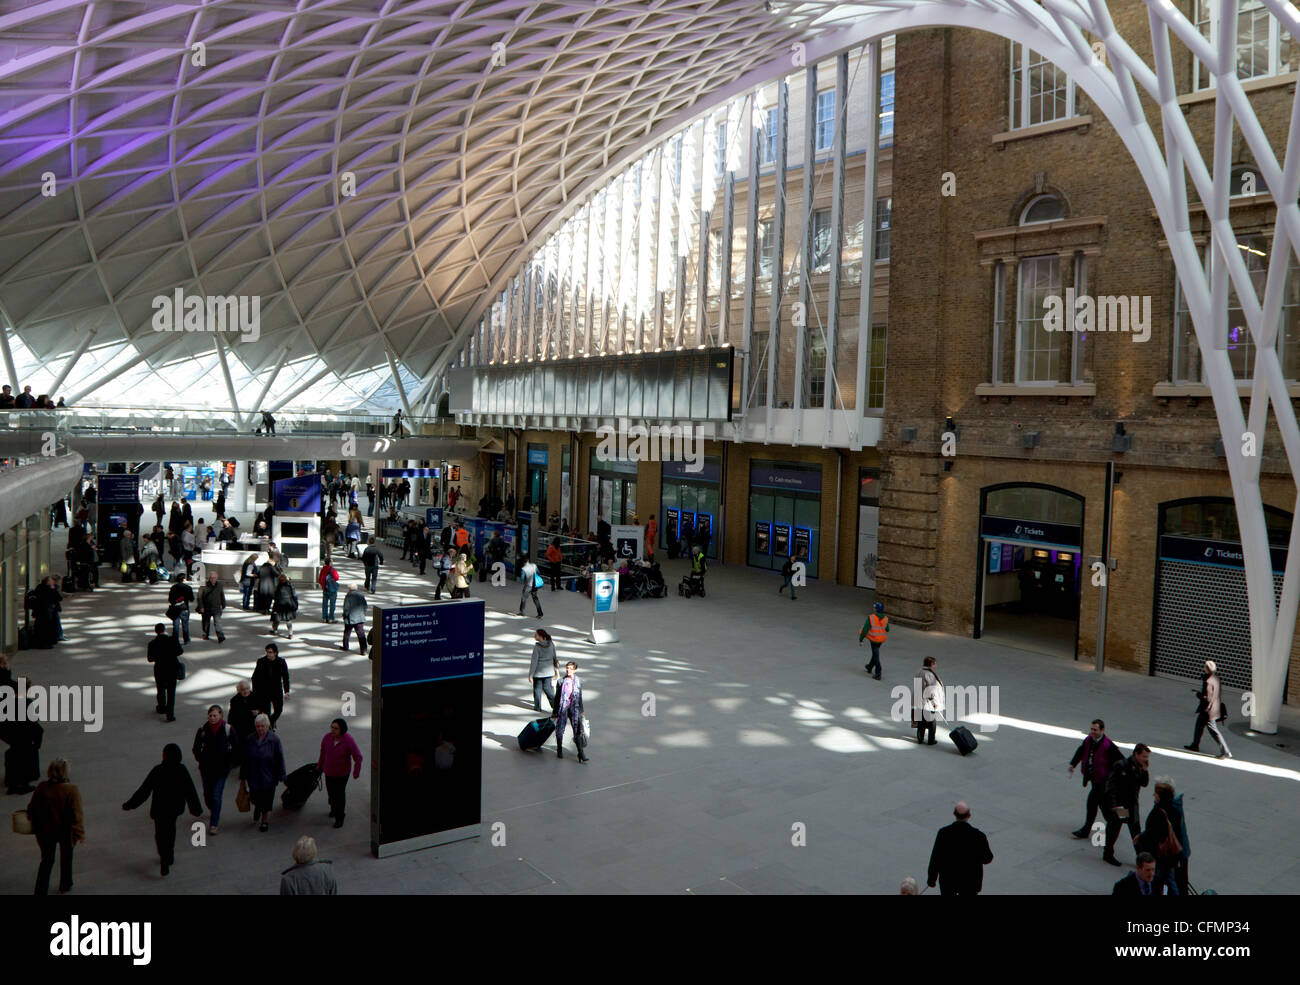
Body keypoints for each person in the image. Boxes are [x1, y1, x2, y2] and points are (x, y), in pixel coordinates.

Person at [122, 743, 204, 877]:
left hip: (159, 809)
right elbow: (190, 791)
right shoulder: (182, 770)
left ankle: (163, 856)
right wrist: (196, 809)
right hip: (174, 809)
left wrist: (130, 804)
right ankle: (169, 855)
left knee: (160, 834)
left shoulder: (158, 770)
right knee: (171, 831)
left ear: (164, 755)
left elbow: (144, 790)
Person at [26, 757, 84, 895]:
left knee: (46, 861)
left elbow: (31, 808)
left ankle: (40, 890)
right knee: (66, 858)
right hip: (65, 830)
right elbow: (77, 815)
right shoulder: (71, 790)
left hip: (44, 831)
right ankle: (65, 884)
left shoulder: (41, 787)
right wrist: (79, 834)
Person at [1068, 718, 1123, 839]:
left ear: (1102, 730)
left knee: (1096, 804)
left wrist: (1114, 777)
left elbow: (1120, 761)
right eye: (1091, 729)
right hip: (1095, 780)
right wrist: (1073, 764)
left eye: (1095, 729)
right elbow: (1081, 750)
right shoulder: (1089, 740)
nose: (1092, 731)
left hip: (1103, 782)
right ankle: (1111, 825)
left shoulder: (1108, 745)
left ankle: (1109, 826)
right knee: (1100, 805)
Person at [926, 801, 994, 895]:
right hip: (970, 882)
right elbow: (988, 858)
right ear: (969, 815)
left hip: (948, 881)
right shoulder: (978, 836)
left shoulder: (943, 833)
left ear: (955, 814)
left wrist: (931, 879)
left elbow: (936, 857)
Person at [1102, 742, 1151, 867]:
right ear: (1136, 754)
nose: (1146, 760)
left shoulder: (1141, 767)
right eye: (1144, 757)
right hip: (1121, 805)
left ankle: (1142, 860)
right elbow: (1111, 785)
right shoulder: (1121, 765)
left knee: (1136, 832)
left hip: (1132, 805)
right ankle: (1108, 853)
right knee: (1114, 827)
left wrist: (1145, 771)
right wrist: (1114, 804)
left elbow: (1144, 784)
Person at [192, 706, 236, 834]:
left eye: (215, 715)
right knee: (207, 794)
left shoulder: (228, 729)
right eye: (210, 715)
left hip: (222, 769)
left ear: (221, 716)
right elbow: (196, 747)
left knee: (216, 794)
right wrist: (201, 759)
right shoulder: (203, 730)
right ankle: (214, 809)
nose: (212, 718)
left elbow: (236, 746)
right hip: (206, 768)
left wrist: (230, 761)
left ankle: (214, 823)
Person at [1137, 777, 1185, 895]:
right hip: (1171, 855)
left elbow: (1153, 835)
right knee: (1170, 880)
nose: (1154, 795)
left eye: (1156, 793)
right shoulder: (1175, 809)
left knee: (1155, 881)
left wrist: (1141, 839)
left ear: (1160, 795)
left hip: (1159, 855)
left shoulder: (1158, 813)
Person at [241, 714, 286, 833]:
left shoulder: (274, 740)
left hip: (269, 776)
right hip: (254, 775)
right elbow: (245, 758)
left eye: (262, 726)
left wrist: (282, 774)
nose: (260, 729)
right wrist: (243, 775)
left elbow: (279, 757)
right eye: (258, 726)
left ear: (268, 726)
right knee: (255, 796)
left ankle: (264, 820)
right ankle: (257, 807)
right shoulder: (250, 739)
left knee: (267, 799)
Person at [317, 719, 363, 829]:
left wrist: (356, 772)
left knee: (339, 795)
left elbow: (358, 756)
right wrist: (320, 765)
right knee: (331, 793)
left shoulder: (348, 740)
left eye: (336, 728)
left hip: (342, 774)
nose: (332, 730)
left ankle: (340, 817)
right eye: (332, 727)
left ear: (342, 730)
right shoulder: (327, 738)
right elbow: (323, 752)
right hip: (329, 771)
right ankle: (333, 808)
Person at [1184, 659, 1232, 759]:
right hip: (1212, 708)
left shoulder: (1208, 681)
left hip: (1208, 710)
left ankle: (1225, 751)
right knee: (1199, 726)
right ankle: (1195, 745)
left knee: (1214, 731)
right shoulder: (1216, 679)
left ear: (1206, 668)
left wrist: (1197, 694)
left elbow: (1207, 697)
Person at [147, 622, 183, 722]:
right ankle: (170, 714)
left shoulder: (152, 643)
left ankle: (162, 707)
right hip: (172, 669)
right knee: (171, 693)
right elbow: (180, 651)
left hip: (159, 670)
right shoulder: (173, 640)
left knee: (161, 689)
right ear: (164, 630)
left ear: (156, 632)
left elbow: (150, 659)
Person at [553, 660, 588, 762]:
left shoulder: (578, 681)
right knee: (560, 730)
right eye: (567, 668)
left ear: (575, 670)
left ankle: (581, 753)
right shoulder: (561, 681)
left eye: (571, 669)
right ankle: (559, 749)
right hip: (563, 708)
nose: (568, 670)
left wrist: (581, 710)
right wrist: (555, 712)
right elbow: (557, 697)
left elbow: (579, 696)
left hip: (574, 709)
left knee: (577, 730)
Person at [252, 643, 291, 727]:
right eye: (267, 652)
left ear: (275, 653)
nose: (268, 654)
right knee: (266, 712)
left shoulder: (281, 662)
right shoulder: (261, 661)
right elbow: (255, 677)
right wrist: (255, 691)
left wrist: (287, 691)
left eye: (270, 652)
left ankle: (270, 722)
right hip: (264, 691)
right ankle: (268, 726)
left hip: (276, 691)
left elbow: (285, 677)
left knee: (279, 710)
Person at [912, 656, 943, 745]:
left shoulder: (919, 672)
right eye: (934, 663)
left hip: (919, 700)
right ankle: (931, 739)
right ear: (931, 664)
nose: (936, 665)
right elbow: (930, 690)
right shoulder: (929, 674)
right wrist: (934, 703)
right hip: (927, 702)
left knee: (921, 720)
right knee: (932, 722)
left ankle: (920, 738)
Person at [528, 628, 559, 712]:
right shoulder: (551, 644)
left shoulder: (537, 647)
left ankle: (537, 707)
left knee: (537, 690)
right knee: (548, 689)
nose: (534, 636)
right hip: (549, 671)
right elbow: (554, 656)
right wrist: (556, 668)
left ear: (540, 636)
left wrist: (531, 674)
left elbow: (534, 661)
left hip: (538, 672)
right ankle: (555, 706)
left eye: (536, 635)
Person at [228, 680, 257, 766]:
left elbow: (260, 709)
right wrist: (250, 713)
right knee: (240, 745)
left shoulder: (255, 697)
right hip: (239, 727)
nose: (245, 691)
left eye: (247, 688)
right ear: (238, 690)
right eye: (243, 689)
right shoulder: (234, 700)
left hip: (252, 727)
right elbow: (236, 714)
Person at [859, 600, 888, 679]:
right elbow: (887, 629)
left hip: (874, 639)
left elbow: (865, 630)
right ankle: (869, 667)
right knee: (875, 653)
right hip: (881, 640)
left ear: (876, 609)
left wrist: (861, 639)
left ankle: (878, 672)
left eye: (874, 607)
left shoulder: (871, 618)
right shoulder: (885, 618)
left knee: (876, 655)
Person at [197, 571, 227, 643]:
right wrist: (201, 606)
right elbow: (199, 597)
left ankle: (220, 636)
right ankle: (206, 634)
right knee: (206, 622)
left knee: (218, 623)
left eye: (214, 578)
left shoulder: (219, 585)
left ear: (217, 578)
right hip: (206, 608)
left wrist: (223, 604)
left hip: (216, 607)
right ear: (209, 578)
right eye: (211, 578)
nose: (213, 579)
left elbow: (222, 595)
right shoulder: (203, 585)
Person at [270, 572, 298, 639]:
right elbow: (294, 595)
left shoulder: (278, 587)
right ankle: (290, 634)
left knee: (276, 619)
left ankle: (275, 630)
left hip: (279, 605)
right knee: (288, 620)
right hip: (288, 605)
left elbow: (275, 597)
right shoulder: (290, 586)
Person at [168, 573, 194, 643]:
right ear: (183, 579)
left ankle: (175, 640)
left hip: (175, 609)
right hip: (184, 608)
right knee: (185, 624)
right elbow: (192, 599)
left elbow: (170, 600)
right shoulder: (188, 588)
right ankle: (186, 639)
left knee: (176, 625)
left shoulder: (173, 587)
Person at [342, 584, 368, 654]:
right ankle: (364, 650)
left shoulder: (348, 596)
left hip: (350, 618)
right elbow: (365, 606)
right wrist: (363, 614)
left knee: (347, 633)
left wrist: (345, 615)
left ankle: (345, 646)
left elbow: (346, 608)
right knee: (361, 635)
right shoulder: (361, 595)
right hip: (360, 618)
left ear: (349, 589)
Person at [318, 558, 340, 622]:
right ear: (330, 563)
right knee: (332, 604)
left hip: (325, 589)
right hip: (332, 589)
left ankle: (324, 618)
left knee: (324, 604)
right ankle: (331, 618)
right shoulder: (332, 569)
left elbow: (320, 579)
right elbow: (337, 578)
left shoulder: (323, 569)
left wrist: (323, 586)